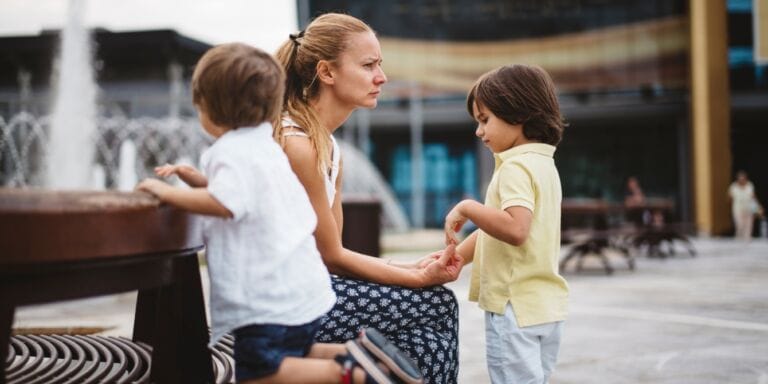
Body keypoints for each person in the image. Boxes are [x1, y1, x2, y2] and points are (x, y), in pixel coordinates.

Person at [136, 42, 422, 384]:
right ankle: (355, 353)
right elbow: (247, 190)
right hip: (303, 295)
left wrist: (167, 194)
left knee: (258, 373)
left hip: (266, 303)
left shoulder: (230, 150)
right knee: (295, 355)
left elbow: (228, 203)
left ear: (212, 108)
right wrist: (198, 180)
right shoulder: (264, 144)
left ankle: (349, 372)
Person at [273, 13, 463, 384]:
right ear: (327, 72)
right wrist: (417, 278)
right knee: (436, 306)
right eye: (368, 65)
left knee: (425, 336)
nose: (382, 77)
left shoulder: (328, 149)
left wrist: (412, 269)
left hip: (314, 290)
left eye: (380, 65)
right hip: (285, 305)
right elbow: (331, 257)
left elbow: (334, 257)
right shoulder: (296, 144)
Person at [443, 65, 569, 384]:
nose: (479, 131)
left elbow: (515, 230)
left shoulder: (514, 168)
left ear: (518, 113)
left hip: (514, 308)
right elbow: (497, 229)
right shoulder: (544, 163)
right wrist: (458, 254)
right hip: (544, 306)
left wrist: (469, 207)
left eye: (485, 119)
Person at [729, 170, 764, 240]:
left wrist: (758, 207)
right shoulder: (734, 187)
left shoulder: (750, 185)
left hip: (749, 208)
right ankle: (738, 239)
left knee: (748, 226)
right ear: (738, 179)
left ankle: (747, 241)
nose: (742, 180)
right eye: (740, 178)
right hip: (738, 208)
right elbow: (730, 197)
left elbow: (753, 196)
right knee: (740, 225)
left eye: (743, 178)